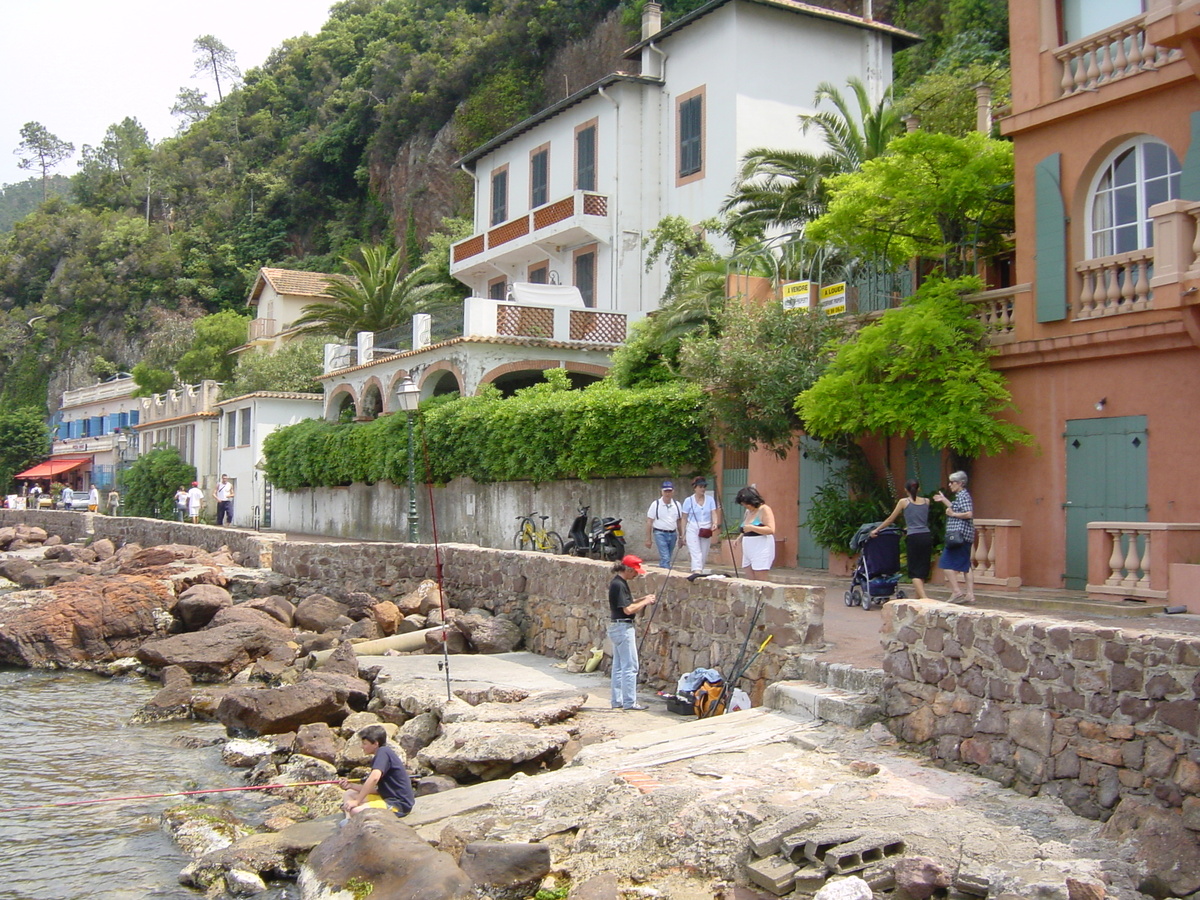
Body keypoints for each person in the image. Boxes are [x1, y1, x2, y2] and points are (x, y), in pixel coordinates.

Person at [607, 554, 656, 710]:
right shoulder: (619, 585)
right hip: (623, 627)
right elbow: (627, 610)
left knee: (618, 667)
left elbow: (626, 602)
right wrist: (646, 602)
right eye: (635, 572)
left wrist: (642, 598)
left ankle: (617, 700)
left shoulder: (619, 583)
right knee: (630, 666)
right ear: (628, 570)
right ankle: (629, 702)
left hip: (617, 627)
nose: (636, 575)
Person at [871, 479, 933, 599]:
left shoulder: (904, 502)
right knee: (922, 568)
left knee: (914, 570)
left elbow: (890, 519)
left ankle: (925, 598)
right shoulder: (927, 501)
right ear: (919, 489)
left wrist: (876, 530)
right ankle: (918, 598)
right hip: (926, 536)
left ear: (905, 490)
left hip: (913, 537)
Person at [339, 725, 415, 819]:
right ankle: (348, 819)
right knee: (349, 793)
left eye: (364, 743)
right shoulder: (382, 753)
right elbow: (378, 791)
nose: (362, 747)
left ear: (375, 744)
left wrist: (357, 801)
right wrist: (351, 785)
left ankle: (351, 816)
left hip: (398, 805)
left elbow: (374, 778)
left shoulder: (383, 753)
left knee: (356, 810)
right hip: (385, 797)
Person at [934, 471, 975, 604]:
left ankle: (957, 591)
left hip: (959, 536)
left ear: (960, 483)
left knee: (945, 562)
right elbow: (956, 508)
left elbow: (968, 514)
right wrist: (944, 500)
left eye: (953, 482)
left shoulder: (963, 496)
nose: (950, 485)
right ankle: (970, 594)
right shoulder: (961, 496)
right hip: (964, 536)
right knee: (965, 565)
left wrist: (953, 514)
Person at [680, 476, 721, 578]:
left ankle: (699, 570)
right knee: (696, 551)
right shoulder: (688, 501)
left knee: (704, 551)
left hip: (706, 527)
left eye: (704, 487)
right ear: (695, 487)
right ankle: (696, 571)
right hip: (692, 527)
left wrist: (715, 522)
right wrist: (683, 534)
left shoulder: (710, 500)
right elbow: (684, 518)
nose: (703, 489)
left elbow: (713, 512)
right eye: (700, 487)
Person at [734, 485, 775, 581]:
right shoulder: (748, 512)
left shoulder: (764, 509)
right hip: (748, 549)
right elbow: (745, 528)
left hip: (761, 547)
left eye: (746, 504)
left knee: (760, 580)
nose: (745, 506)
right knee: (750, 580)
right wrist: (739, 538)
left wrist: (753, 528)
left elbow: (771, 529)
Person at [644, 480, 682, 568]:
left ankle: (662, 572)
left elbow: (679, 521)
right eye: (665, 491)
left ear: (673, 491)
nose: (667, 494)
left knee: (668, 556)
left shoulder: (677, 505)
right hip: (659, 533)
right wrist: (648, 539)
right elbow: (649, 521)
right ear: (661, 492)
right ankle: (666, 576)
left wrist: (681, 536)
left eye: (669, 491)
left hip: (673, 533)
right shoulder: (655, 504)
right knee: (666, 557)